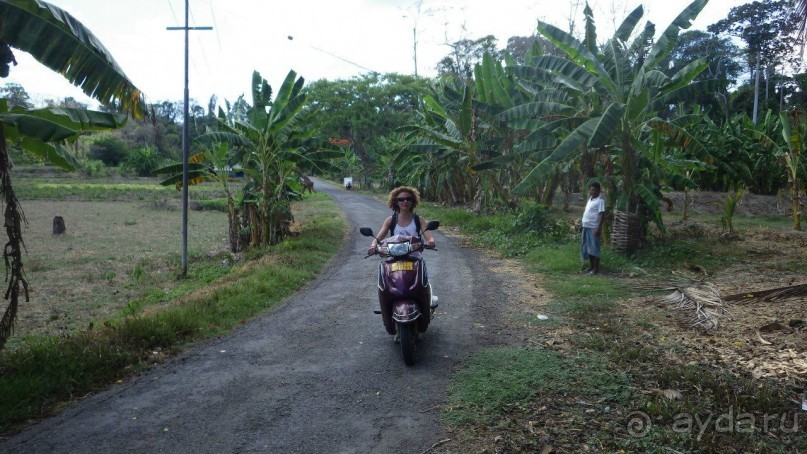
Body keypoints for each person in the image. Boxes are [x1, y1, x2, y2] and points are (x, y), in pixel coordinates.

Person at [368, 186, 436, 255]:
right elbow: (377, 238)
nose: (405, 201)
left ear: (412, 201)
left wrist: (431, 241)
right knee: (383, 265)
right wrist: (373, 245)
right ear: (396, 202)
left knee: (421, 265)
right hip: (394, 256)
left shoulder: (419, 220)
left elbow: (429, 237)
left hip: (415, 256)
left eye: (408, 199)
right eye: (401, 199)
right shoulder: (390, 220)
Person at [581, 182, 605, 275]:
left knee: (595, 248)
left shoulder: (600, 201)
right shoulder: (590, 199)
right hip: (586, 226)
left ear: (599, 190)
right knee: (588, 248)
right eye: (592, 190)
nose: (593, 191)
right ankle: (591, 267)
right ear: (589, 190)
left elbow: (602, 214)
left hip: (593, 228)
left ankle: (596, 269)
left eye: (595, 190)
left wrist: (598, 228)